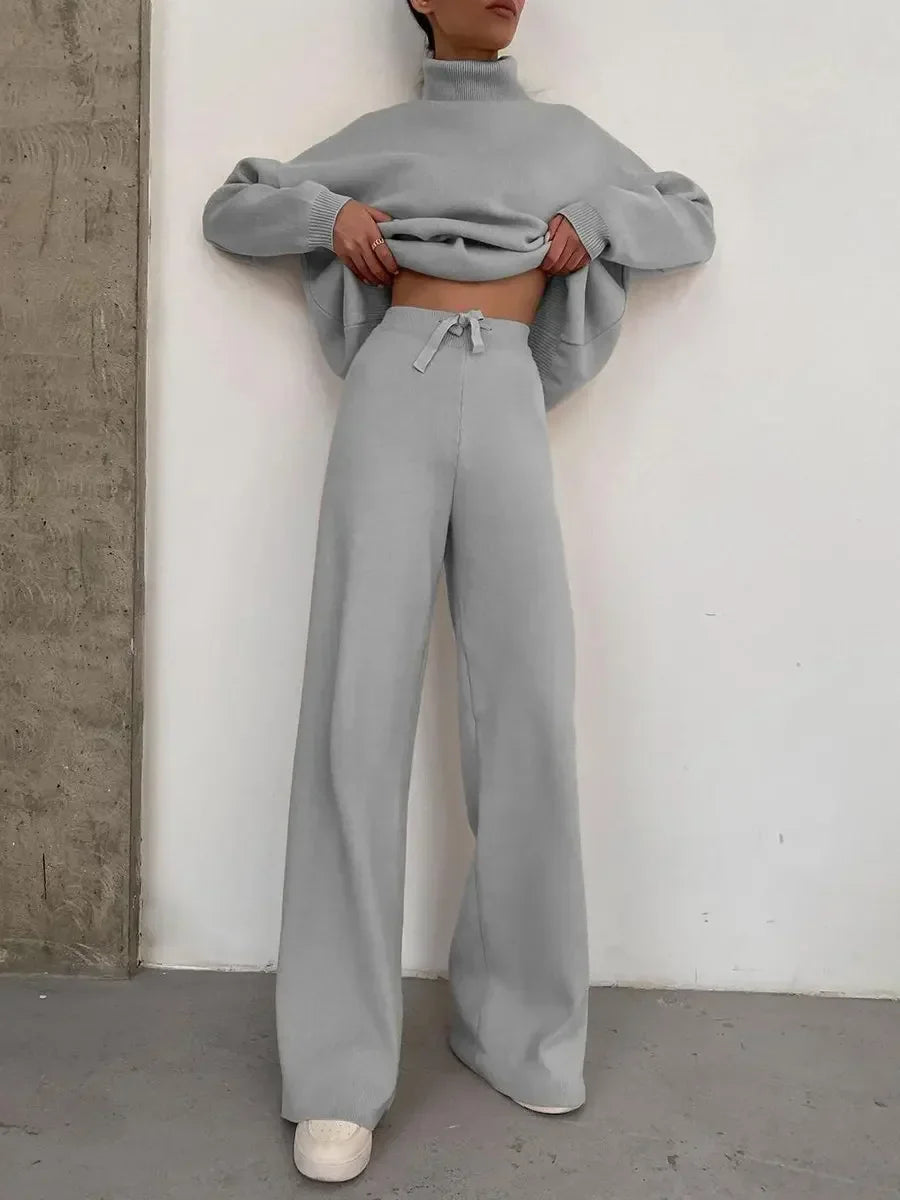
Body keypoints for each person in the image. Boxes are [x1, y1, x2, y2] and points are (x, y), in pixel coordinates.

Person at [201, 0, 715, 1182]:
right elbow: (233, 205)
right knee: (355, 716)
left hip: (510, 402)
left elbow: (689, 218)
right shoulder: (382, 135)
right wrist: (326, 217)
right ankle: (337, 1074)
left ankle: (521, 1028)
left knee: (525, 712)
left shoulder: (569, 139)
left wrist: (599, 220)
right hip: (396, 390)